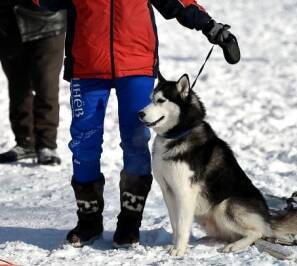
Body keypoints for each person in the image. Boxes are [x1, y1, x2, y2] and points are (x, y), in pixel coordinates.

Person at [34, 0, 240, 248]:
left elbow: (176, 3)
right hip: (87, 66)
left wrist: (210, 27)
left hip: (136, 65)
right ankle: (88, 220)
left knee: (135, 140)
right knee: (83, 143)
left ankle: (130, 222)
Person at [0, 0, 65, 165]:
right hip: (9, 22)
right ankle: (25, 142)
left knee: (46, 85)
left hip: (48, 22)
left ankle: (47, 145)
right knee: (18, 86)